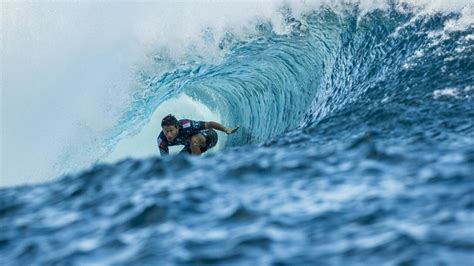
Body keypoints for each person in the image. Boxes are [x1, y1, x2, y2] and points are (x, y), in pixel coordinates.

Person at [157, 114, 239, 156]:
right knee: (180, 161)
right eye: (166, 131)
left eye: (171, 130)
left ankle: (199, 167)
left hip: (210, 137)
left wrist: (226, 130)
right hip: (192, 147)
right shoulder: (162, 140)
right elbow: (165, 161)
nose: (168, 134)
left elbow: (209, 124)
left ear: (177, 127)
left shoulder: (186, 125)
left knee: (194, 140)